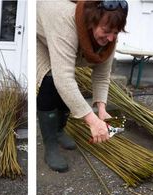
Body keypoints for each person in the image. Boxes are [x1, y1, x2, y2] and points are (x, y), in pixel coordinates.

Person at [36, 0, 128, 172]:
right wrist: (92, 121)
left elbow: (101, 75)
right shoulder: (65, 19)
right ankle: (50, 146)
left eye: (115, 33)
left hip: (64, 34)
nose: (111, 38)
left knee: (70, 88)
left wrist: (101, 109)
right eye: (107, 32)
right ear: (91, 22)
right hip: (42, 36)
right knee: (50, 83)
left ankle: (59, 131)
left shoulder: (110, 31)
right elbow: (63, 79)